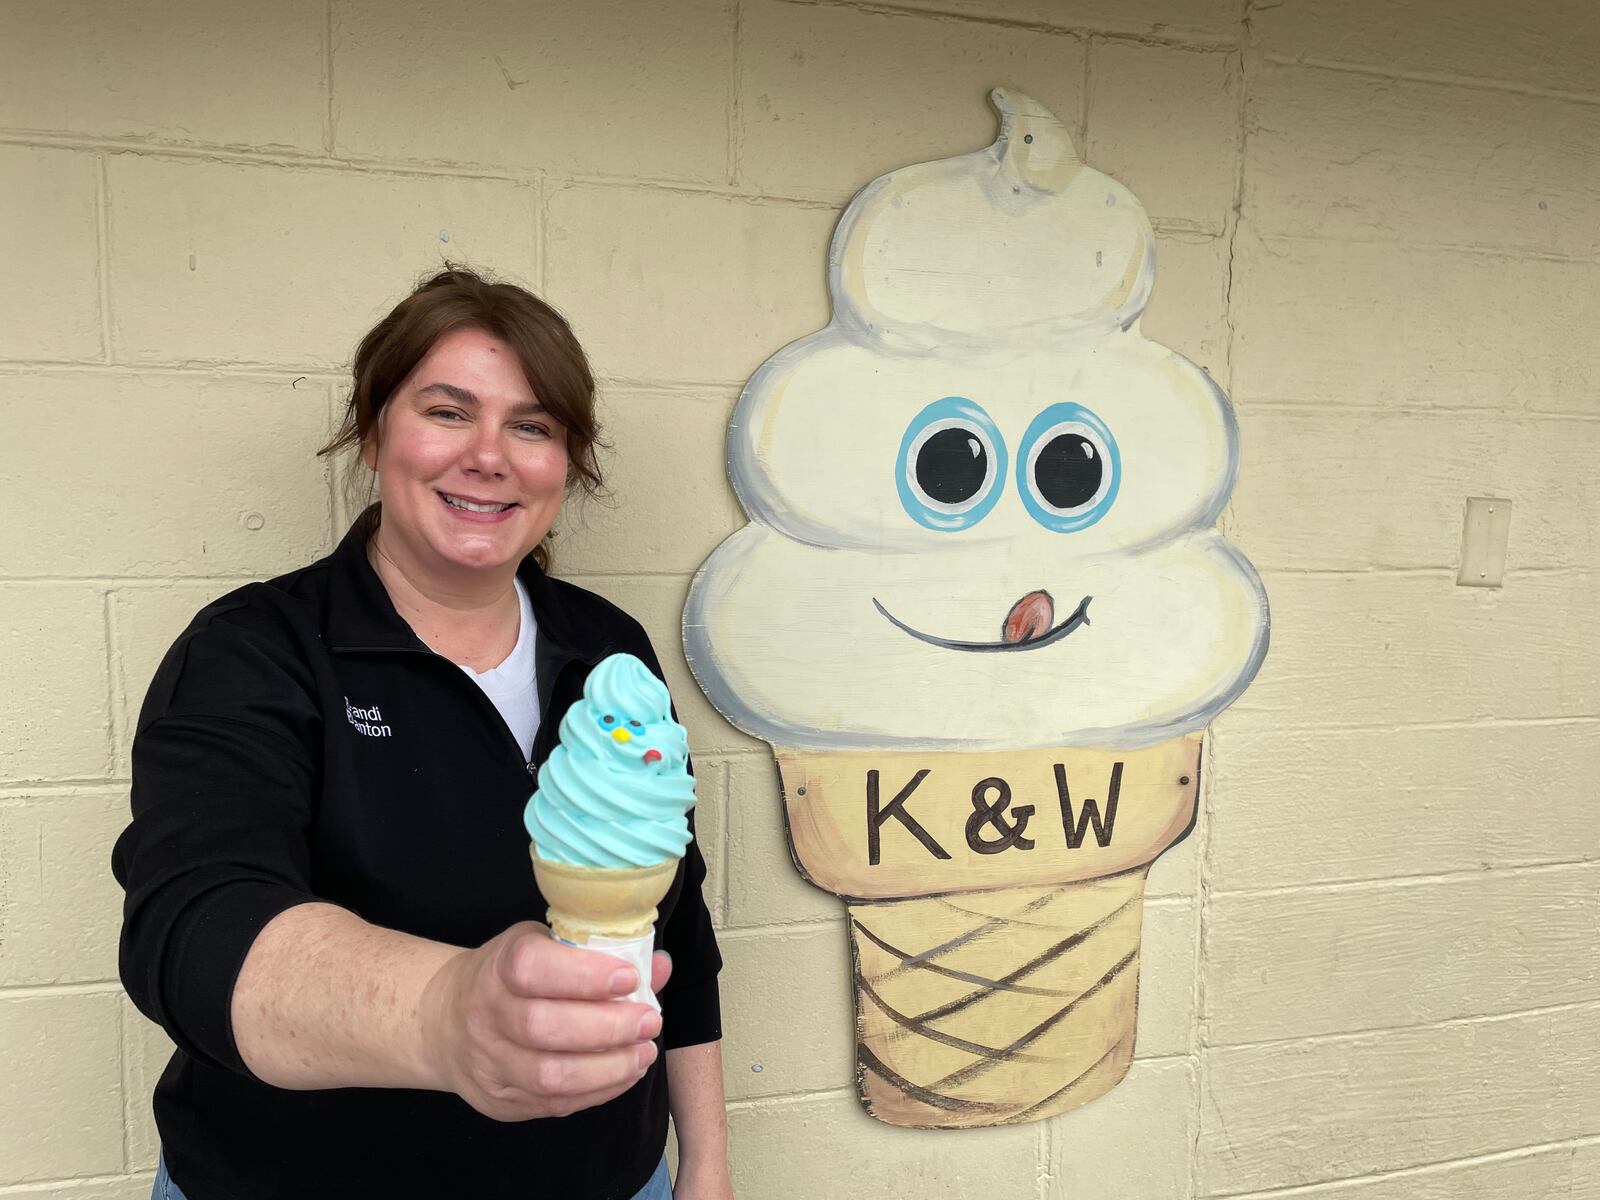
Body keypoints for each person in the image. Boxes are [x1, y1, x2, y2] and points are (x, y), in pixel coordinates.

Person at [112, 268, 731, 1200]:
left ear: (565, 463)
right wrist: (449, 1015)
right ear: (373, 433)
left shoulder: (606, 653)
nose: (490, 456)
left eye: (532, 426)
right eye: (447, 411)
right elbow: (196, 928)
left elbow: (679, 926)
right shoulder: (256, 651)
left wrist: (706, 1170)